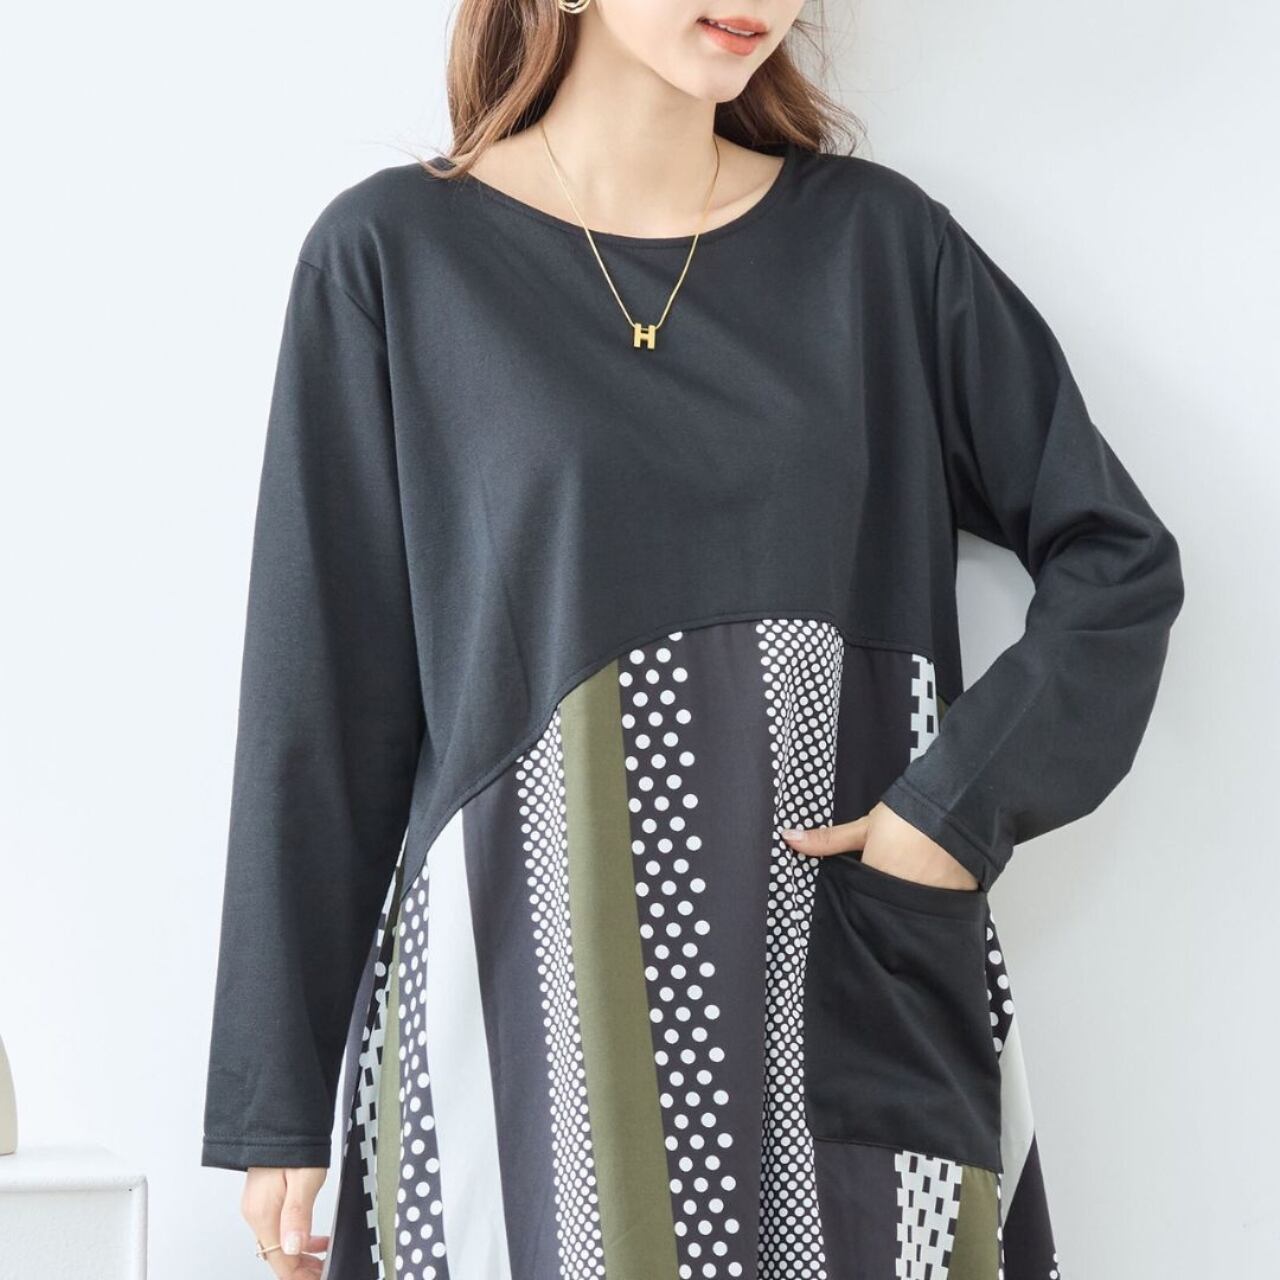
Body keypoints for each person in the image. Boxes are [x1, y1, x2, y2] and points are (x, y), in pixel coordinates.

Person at [200, 0, 1185, 1276]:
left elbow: (1116, 561)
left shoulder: (880, 253)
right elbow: (320, 705)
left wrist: (950, 814)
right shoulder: (395, 258)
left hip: (847, 982)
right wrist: (277, 1105)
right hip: (530, 1027)